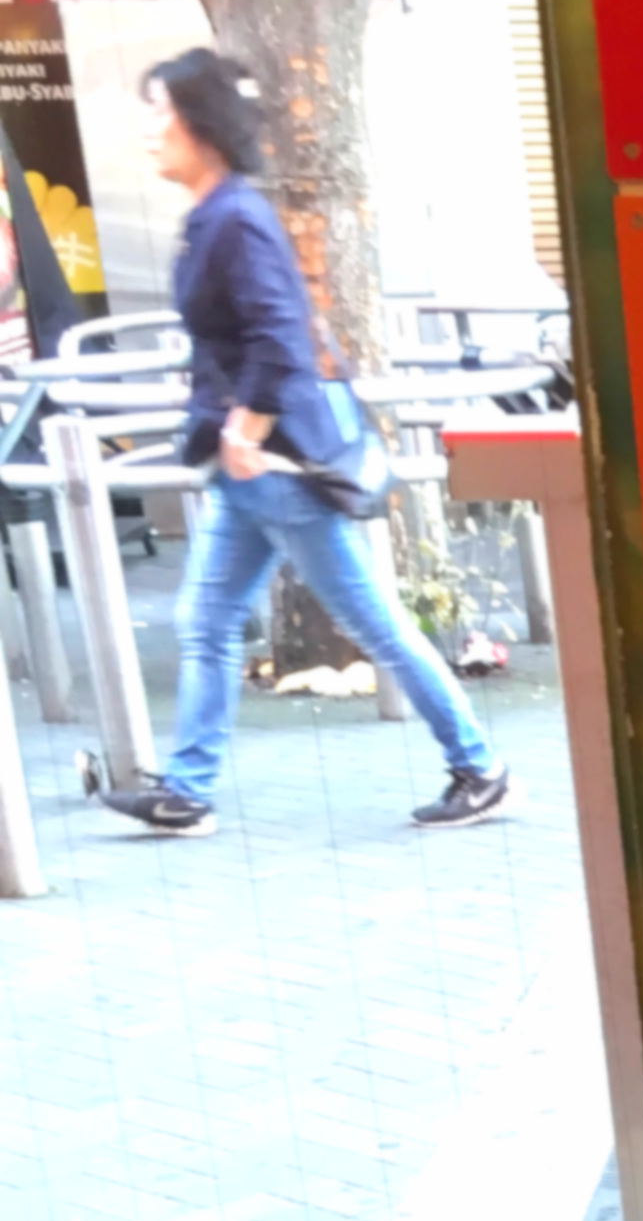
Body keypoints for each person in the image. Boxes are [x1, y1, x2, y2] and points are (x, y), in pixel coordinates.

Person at [93, 48, 508, 839]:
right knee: (208, 620)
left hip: (276, 467)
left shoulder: (236, 220)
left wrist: (245, 432)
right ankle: (187, 790)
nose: (149, 133)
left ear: (199, 124)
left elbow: (280, 338)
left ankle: (481, 767)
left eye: (159, 115)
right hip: (248, 471)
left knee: (369, 619)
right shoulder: (219, 215)